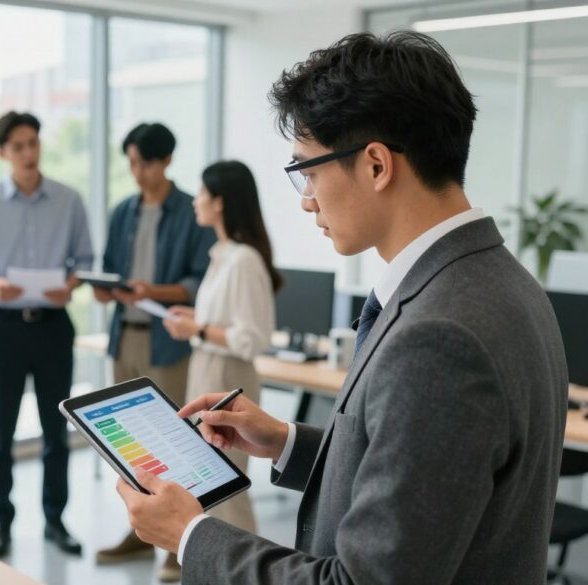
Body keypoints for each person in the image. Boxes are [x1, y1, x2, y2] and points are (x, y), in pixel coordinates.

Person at [116, 31, 567, 584]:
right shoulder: (500, 279)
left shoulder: (440, 336)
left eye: (308, 171)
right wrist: (285, 442)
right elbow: (434, 488)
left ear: (376, 165)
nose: (306, 199)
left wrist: (189, 534)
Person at [0, 111, 94, 558]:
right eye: (18, 146)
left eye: (33, 143)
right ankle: (2, 523)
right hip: (6, 329)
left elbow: (84, 262)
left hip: (54, 327)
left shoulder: (69, 200)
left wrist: (70, 285)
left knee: (57, 430)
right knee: (1, 432)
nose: (29, 153)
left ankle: (56, 519)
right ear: (3, 153)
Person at [93, 122, 216, 582]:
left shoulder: (189, 211)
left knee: (172, 441)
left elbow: (195, 281)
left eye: (143, 162)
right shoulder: (123, 210)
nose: (136, 172)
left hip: (167, 337)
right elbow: (109, 269)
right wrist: (108, 289)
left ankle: (177, 542)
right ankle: (140, 531)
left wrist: (154, 290)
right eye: (131, 163)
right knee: (126, 445)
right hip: (125, 333)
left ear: (165, 161)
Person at [160, 160, 280, 580]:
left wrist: (197, 327)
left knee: (226, 487)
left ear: (221, 202)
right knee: (208, 485)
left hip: (229, 377)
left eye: (202, 194)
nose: (196, 200)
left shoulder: (244, 260)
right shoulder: (222, 255)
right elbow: (222, 323)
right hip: (208, 368)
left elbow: (253, 336)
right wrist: (194, 320)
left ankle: (251, 573)